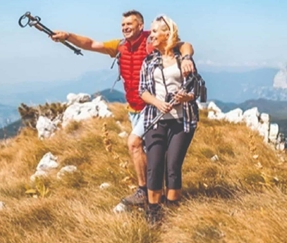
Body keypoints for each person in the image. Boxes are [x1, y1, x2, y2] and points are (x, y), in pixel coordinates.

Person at [50, 11, 194, 208]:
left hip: (151, 107)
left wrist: (186, 58)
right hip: (133, 108)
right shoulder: (119, 46)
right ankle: (155, 191)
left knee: (134, 143)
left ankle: (145, 192)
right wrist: (68, 36)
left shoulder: (151, 42)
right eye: (123, 24)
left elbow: (183, 44)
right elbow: (91, 44)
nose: (125, 27)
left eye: (129, 24)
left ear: (140, 25)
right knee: (147, 151)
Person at [137, 14, 205, 225]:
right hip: (156, 119)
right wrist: (158, 103)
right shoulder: (149, 62)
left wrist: (188, 97)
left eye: (156, 31)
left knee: (173, 166)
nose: (151, 35)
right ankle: (154, 211)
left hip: (182, 120)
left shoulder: (183, 58)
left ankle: (173, 209)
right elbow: (142, 91)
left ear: (168, 33)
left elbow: (198, 87)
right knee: (154, 165)